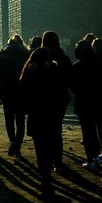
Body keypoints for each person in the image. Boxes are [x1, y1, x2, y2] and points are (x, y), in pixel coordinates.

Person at [18, 48, 66, 196]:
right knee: (52, 142)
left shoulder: (27, 72)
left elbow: (22, 94)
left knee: (40, 147)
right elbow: (63, 93)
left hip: (36, 114)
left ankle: (45, 175)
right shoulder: (54, 70)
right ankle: (51, 166)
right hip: (52, 114)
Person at [70, 40, 102, 170]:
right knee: (94, 130)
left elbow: (73, 86)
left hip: (83, 102)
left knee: (87, 132)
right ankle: (96, 156)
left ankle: (91, 159)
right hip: (97, 101)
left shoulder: (76, 67)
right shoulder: (99, 65)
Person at [40, 31, 71, 172]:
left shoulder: (40, 58)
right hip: (59, 98)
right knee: (56, 130)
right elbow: (70, 77)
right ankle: (57, 161)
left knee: (45, 130)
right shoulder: (63, 57)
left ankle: (47, 160)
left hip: (44, 99)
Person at [0, 35, 29, 157]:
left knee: (9, 119)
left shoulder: (3, 55)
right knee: (20, 121)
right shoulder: (26, 55)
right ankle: (17, 145)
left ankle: (13, 141)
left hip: (6, 92)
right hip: (21, 92)